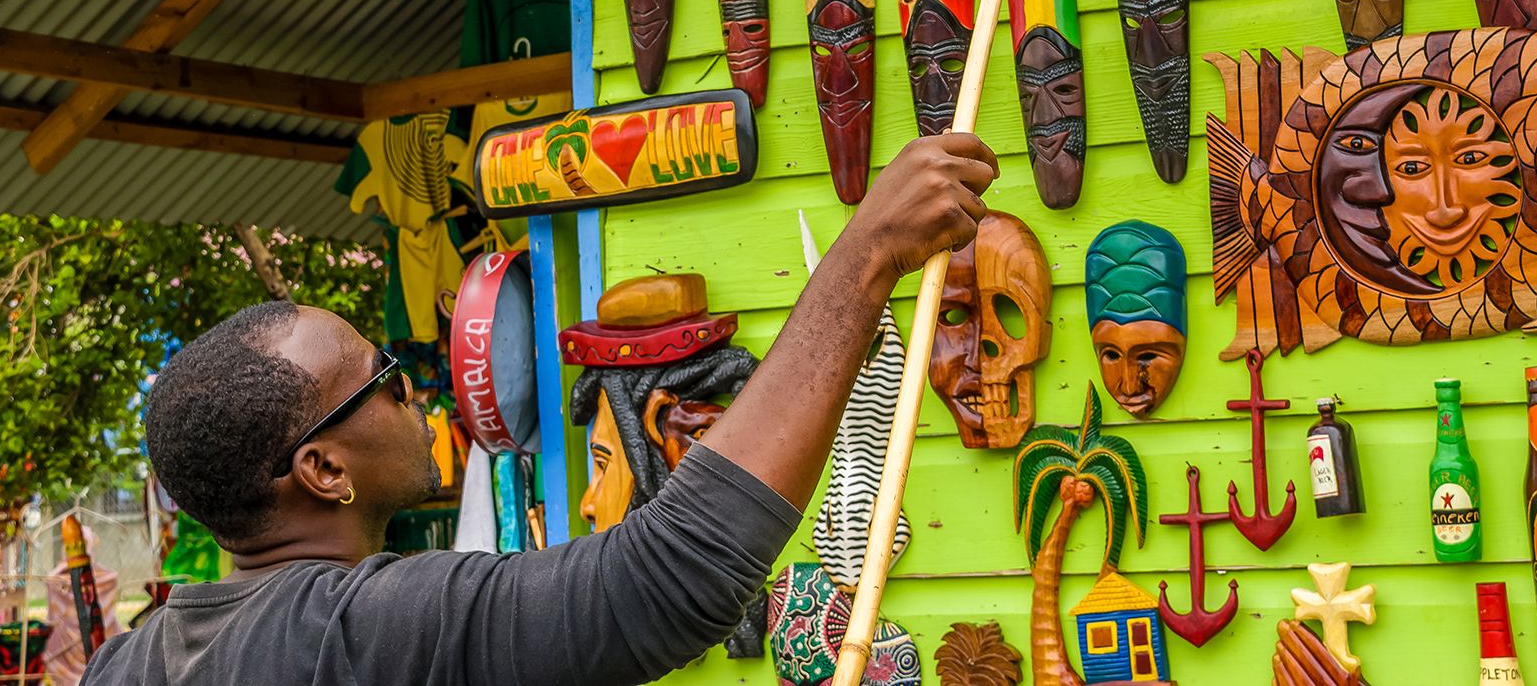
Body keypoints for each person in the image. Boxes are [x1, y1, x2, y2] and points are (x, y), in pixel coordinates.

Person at [84, 133, 998, 686]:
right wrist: (866, 256)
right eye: (387, 376)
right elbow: (674, 575)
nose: (418, 388)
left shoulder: (123, 668)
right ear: (322, 470)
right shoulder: (363, 631)